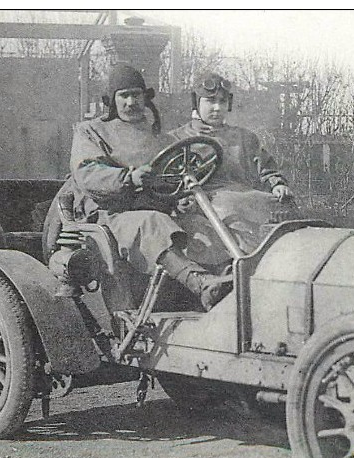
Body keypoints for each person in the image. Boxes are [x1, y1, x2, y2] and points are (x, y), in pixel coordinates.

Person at [49, 64, 234, 311]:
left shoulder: (162, 139)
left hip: (158, 211)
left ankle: (230, 282)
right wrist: (129, 178)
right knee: (151, 223)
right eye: (123, 95)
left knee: (202, 224)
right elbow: (87, 172)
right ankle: (201, 284)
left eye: (136, 94)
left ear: (145, 97)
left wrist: (181, 198)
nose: (131, 101)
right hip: (107, 215)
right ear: (112, 101)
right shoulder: (91, 131)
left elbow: (174, 179)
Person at [167, 71, 296, 268]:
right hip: (206, 203)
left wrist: (277, 184)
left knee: (284, 212)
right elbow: (168, 181)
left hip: (247, 197)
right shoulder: (177, 139)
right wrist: (180, 199)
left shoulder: (245, 138)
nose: (217, 108)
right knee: (233, 214)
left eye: (222, 101)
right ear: (196, 103)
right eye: (210, 101)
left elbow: (265, 167)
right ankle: (247, 267)